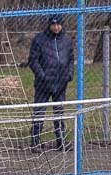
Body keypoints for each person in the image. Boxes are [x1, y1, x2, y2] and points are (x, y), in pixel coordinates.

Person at [28, 15, 74, 152]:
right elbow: (33, 60)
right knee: (39, 112)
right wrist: (42, 76)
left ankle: (61, 141)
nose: (56, 27)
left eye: (58, 24)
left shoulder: (66, 40)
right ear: (49, 24)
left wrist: (69, 74)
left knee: (59, 113)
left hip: (60, 84)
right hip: (43, 84)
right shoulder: (39, 39)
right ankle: (35, 141)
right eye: (53, 24)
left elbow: (71, 59)